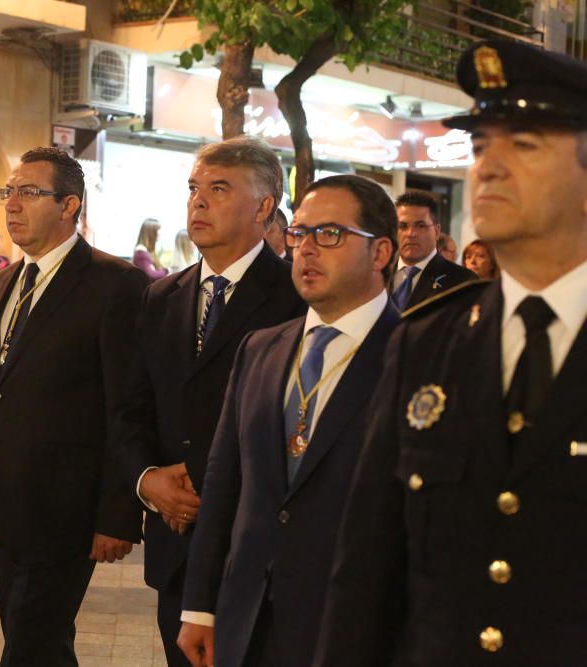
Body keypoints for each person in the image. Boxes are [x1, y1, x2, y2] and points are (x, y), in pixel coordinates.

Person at [315, 40, 587, 666]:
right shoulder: (429, 341)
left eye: (523, 145)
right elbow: (367, 569)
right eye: (482, 145)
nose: (488, 167)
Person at [177, 175, 399, 667]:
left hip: (355, 623)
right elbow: (224, 485)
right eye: (299, 233)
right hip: (248, 617)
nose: (307, 249)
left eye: (331, 234)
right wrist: (200, 605)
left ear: (380, 252)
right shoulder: (262, 348)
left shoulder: (417, 354)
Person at [119, 136, 305, 667]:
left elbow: (293, 421)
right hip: (175, 548)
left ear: (264, 207)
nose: (197, 202)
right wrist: (147, 481)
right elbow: (132, 407)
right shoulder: (163, 296)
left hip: (257, 545)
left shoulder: (295, 296)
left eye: (218, 189)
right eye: (194, 189)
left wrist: (199, 481)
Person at [0, 147, 147, 666]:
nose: (12, 205)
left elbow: (125, 407)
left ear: (69, 205)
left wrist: (118, 514)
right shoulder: (2, 281)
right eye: (9, 192)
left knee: (29, 644)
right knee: (38, 643)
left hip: (68, 507)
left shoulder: (115, 284)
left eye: (28, 193)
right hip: (6, 505)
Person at [390, 190, 475, 310]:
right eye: (403, 226)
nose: (411, 234)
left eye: (420, 226)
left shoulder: (462, 281)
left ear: (436, 231)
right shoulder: (378, 275)